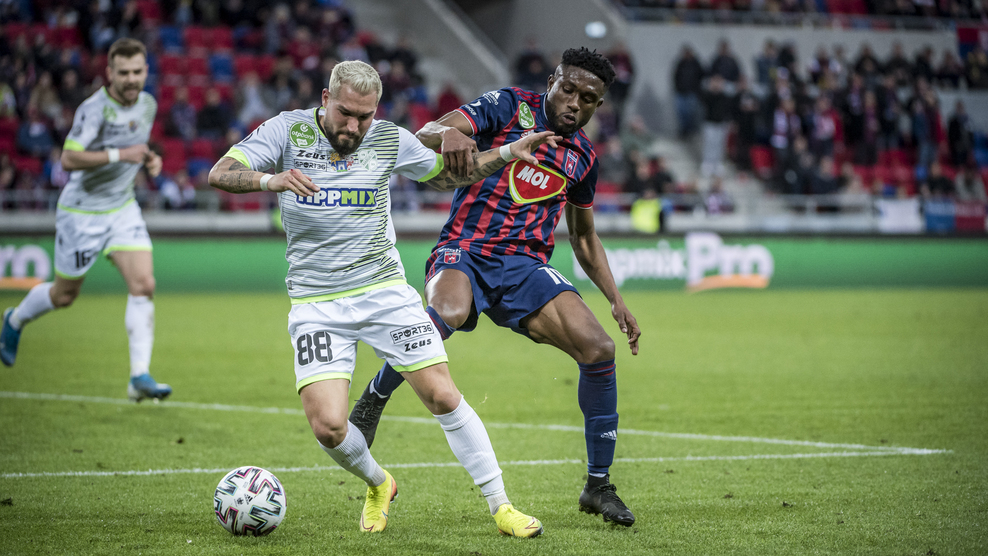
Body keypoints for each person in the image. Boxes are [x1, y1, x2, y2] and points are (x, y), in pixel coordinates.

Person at [207, 60, 557, 537]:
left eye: (365, 116)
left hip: (384, 291)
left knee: (442, 394)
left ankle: (502, 506)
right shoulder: (286, 131)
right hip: (316, 302)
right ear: (326, 99)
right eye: (346, 113)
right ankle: (379, 483)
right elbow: (221, 172)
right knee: (329, 427)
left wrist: (510, 150)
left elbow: (449, 175)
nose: (354, 127)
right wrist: (272, 180)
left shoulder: (389, 138)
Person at [349, 47, 642, 527]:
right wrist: (448, 134)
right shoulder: (508, 107)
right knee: (448, 311)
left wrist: (616, 299)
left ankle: (598, 485)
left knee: (599, 349)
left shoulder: (583, 158)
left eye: (587, 99)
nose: (574, 103)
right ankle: (374, 398)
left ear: (599, 105)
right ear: (552, 82)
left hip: (525, 266)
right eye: (568, 89)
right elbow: (428, 132)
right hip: (465, 248)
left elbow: (584, 236)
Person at [1, 38, 169, 403]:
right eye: (123, 73)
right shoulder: (94, 110)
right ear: (109, 73)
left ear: (146, 71)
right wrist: (122, 154)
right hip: (82, 212)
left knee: (144, 284)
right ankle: (14, 319)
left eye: (137, 72)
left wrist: (149, 160)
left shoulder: (148, 104)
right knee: (64, 295)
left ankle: (139, 377)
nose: (131, 79)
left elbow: (137, 148)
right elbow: (69, 159)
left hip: (122, 207)